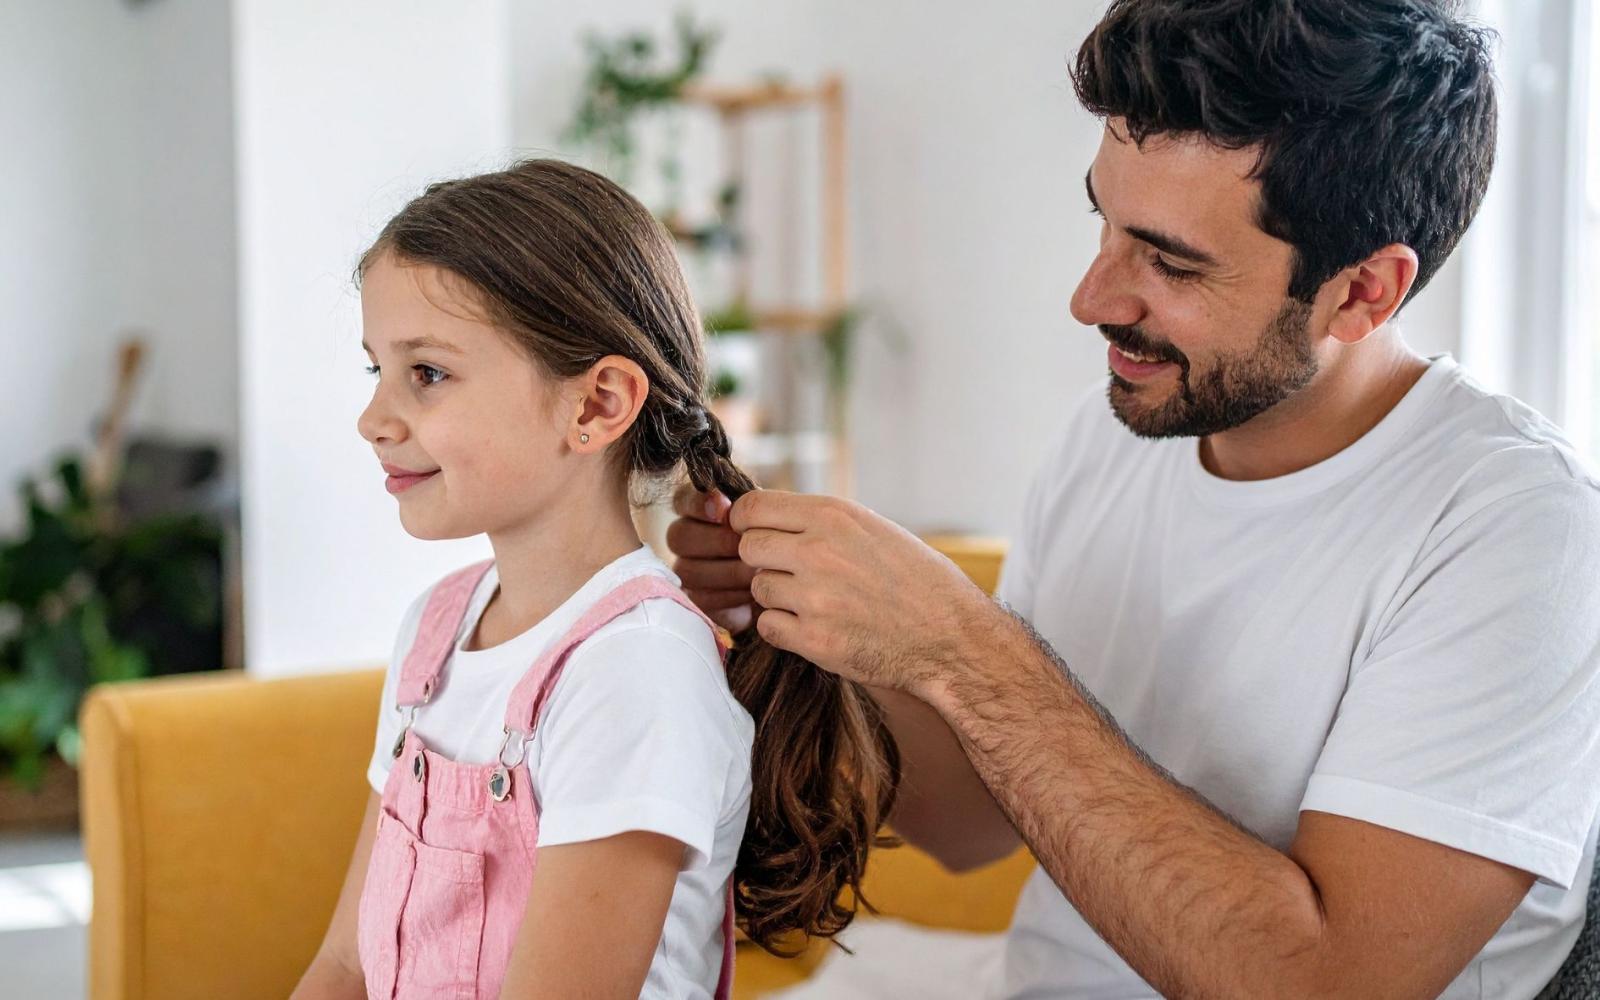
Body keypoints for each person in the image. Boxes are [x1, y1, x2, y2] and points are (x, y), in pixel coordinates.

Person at [667, 1, 1600, 997]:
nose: (1093, 297)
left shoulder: (1519, 534)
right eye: (1102, 223)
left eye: (1167, 260)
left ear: (1364, 291)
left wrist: (963, 647)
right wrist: (821, 632)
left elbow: (1325, 981)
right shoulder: (1111, 434)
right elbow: (970, 824)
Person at [291, 159, 898, 1000]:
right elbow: (348, 966)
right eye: (376, 371)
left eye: (426, 373)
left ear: (596, 405)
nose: (373, 419)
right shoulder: (434, 629)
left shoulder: (635, 672)